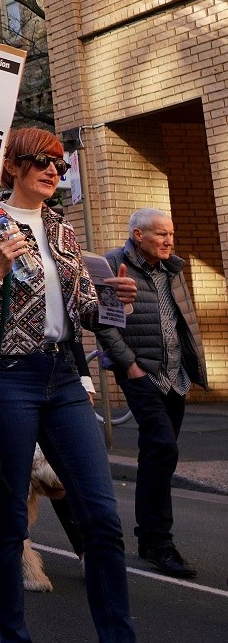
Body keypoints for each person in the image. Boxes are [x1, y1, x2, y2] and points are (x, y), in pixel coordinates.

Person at [0, 127, 139, 643]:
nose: (53, 170)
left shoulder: (62, 228)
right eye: (40, 160)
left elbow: (82, 305)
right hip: (5, 380)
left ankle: (117, 636)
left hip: (62, 376)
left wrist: (114, 299)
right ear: (12, 166)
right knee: (10, 522)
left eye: (60, 163)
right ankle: (10, 637)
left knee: (101, 518)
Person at [96, 208, 205, 579]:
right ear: (138, 235)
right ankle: (160, 543)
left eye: (171, 234)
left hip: (176, 376)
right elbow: (105, 323)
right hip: (143, 373)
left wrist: (192, 362)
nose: (169, 241)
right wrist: (130, 365)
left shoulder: (172, 268)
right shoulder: (114, 262)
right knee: (163, 447)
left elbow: (182, 319)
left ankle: (148, 538)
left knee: (158, 455)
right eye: (161, 235)